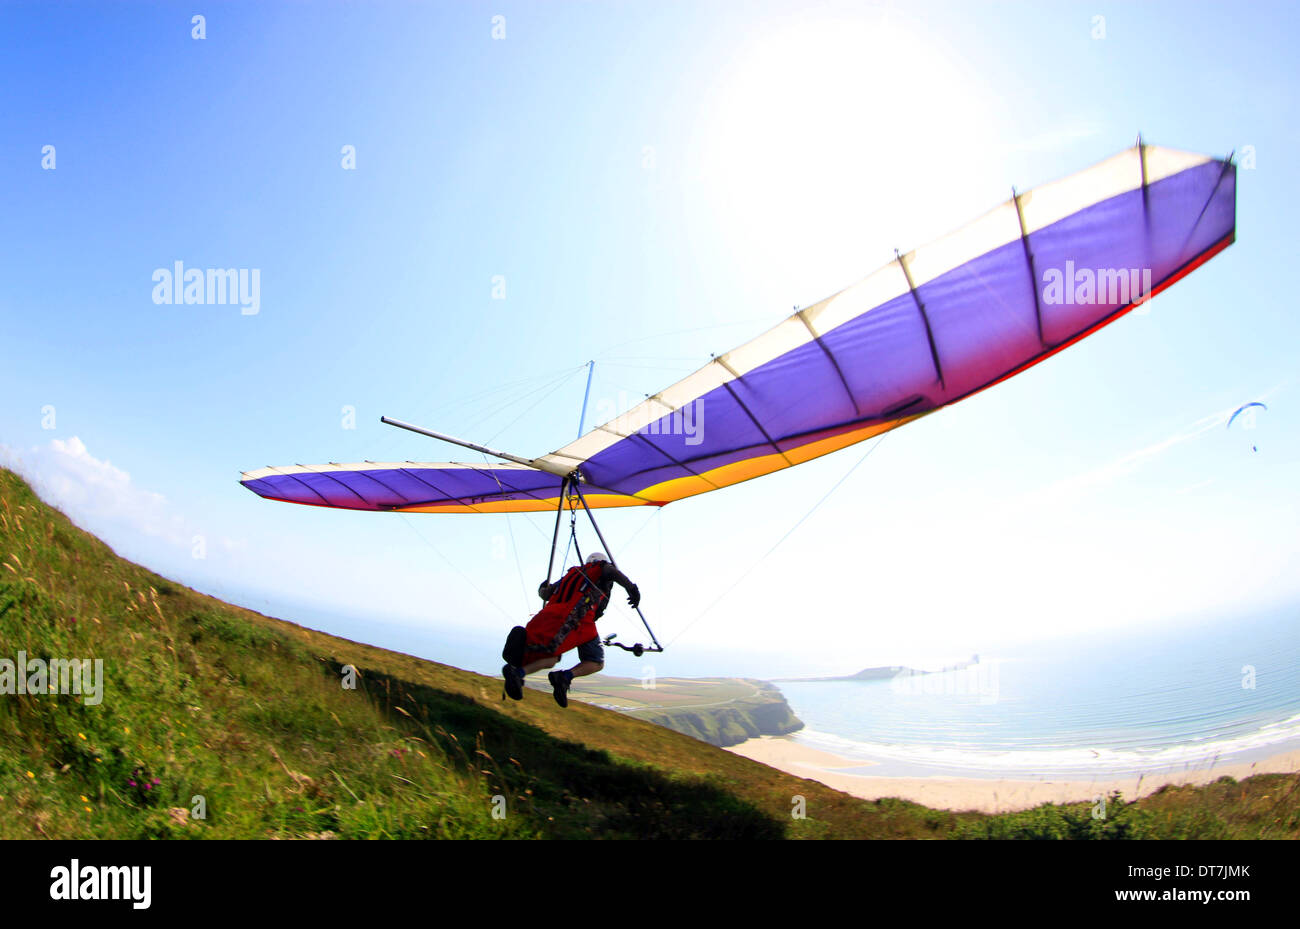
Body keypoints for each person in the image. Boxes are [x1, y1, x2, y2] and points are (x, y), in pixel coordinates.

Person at [501, 552, 640, 707]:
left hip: (547, 617)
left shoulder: (573, 573)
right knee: (596, 661)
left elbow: (545, 593)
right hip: (573, 619)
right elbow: (610, 572)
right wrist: (631, 587)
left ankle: (518, 673)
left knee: (552, 657)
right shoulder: (600, 568)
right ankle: (564, 677)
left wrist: (542, 588)